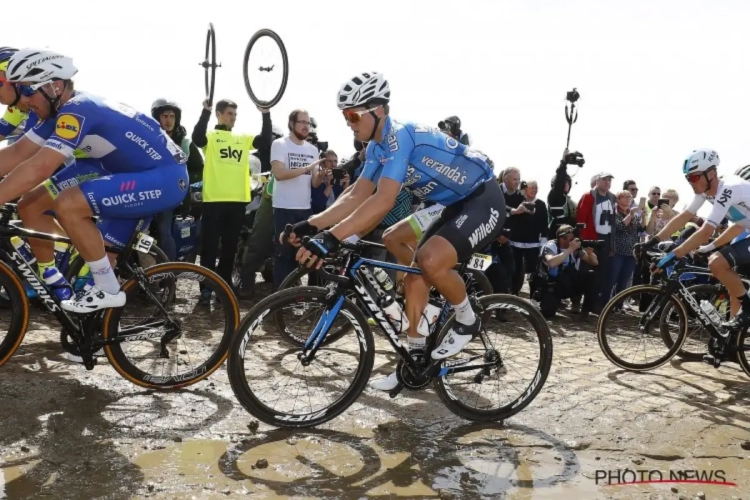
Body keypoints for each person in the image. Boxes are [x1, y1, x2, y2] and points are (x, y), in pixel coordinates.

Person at [286, 72, 503, 391]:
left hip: (482, 198)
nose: (349, 122)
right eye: (344, 115)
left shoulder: (399, 137)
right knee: (414, 276)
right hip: (451, 204)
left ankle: (468, 318)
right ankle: (415, 361)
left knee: (428, 261)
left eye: (353, 114)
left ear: (379, 111)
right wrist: (314, 224)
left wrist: (331, 238)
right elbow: (357, 195)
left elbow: (384, 201)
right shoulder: (376, 148)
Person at [0, 48, 188, 311]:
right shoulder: (56, 114)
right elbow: (16, 154)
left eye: (28, 90)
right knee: (32, 203)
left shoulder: (77, 110)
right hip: (117, 172)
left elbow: (40, 167)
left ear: (54, 87)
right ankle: (71, 307)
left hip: (163, 178)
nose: (25, 101)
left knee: (68, 204)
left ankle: (108, 289)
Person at [643, 149, 750, 329]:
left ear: (711, 174)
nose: (691, 182)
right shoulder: (705, 192)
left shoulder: (728, 190)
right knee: (735, 287)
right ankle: (730, 342)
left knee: (717, 263)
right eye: (688, 178)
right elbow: (684, 216)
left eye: (694, 177)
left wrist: (672, 255)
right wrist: (653, 240)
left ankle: (747, 310)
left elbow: (706, 231)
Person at [191, 98, 269, 303]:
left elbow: (265, 140)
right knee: (208, 248)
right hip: (213, 201)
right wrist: (205, 111)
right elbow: (197, 138)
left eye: (235, 114)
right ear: (219, 114)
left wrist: (265, 114)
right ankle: (206, 290)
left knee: (229, 249)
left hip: (237, 202)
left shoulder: (241, 138)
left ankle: (223, 288)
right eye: (229, 114)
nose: (233, 118)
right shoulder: (211, 135)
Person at [271, 109, 326, 288]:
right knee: (284, 254)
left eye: (308, 123)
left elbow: (315, 183)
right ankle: (278, 299)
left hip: (304, 209)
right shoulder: (280, 144)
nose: (305, 126)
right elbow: (278, 174)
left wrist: (322, 175)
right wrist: (306, 168)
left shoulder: (312, 149)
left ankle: (297, 295)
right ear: (292, 124)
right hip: (284, 207)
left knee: (303, 253)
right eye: (302, 122)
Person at [150, 98, 203, 261]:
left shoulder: (185, 143)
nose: (168, 120)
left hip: (175, 195)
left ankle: (170, 273)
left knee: (165, 231)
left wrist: (188, 188)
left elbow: (198, 168)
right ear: (157, 118)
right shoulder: (151, 138)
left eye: (172, 116)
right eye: (164, 116)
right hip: (150, 192)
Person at [532, 225, 599, 319]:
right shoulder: (551, 245)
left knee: (591, 275)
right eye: (571, 238)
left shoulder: (576, 248)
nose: (574, 241)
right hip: (552, 284)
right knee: (547, 314)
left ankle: (585, 311)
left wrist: (590, 253)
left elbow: (594, 262)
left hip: (569, 283)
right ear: (562, 238)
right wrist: (570, 250)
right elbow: (551, 263)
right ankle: (547, 301)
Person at [604, 190, 644, 307]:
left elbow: (641, 230)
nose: (628, 199)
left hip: (630, 253)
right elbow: (619, 227)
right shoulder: (613, 212)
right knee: (612, 279)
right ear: (618, 199)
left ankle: (618, 306)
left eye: (630, 197)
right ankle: (605, 304)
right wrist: (630, 215)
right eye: (625, 197)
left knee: (624, 281)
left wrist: (645, 216)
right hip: (617, 252)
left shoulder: (633, 213)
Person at [509, 180, 548, 296]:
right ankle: (513, 294)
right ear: (525, 189)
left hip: (533, 243)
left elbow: (544, 223)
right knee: (515, 269)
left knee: (533, 271)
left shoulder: (540, 204)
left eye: (536, 188)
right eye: (532, 188)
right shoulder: (518, 202)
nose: (534, 190)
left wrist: (543, 239)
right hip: (516, 242)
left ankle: (533, 296)